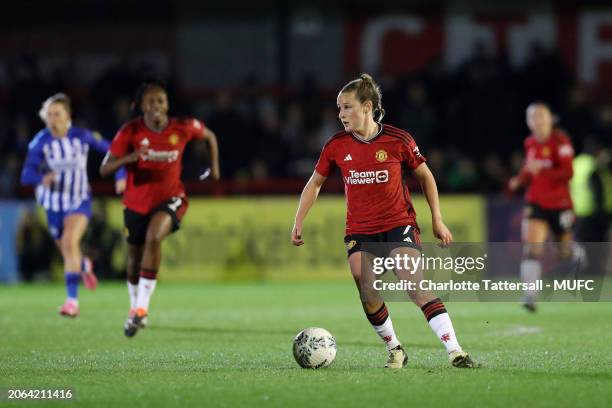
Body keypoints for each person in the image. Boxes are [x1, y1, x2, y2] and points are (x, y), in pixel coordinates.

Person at [291, 74, 474, 369]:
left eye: (347, 107)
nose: (340, 115)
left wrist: (437, 219)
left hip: (398, 224)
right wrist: (298, 220)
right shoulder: (336, 145)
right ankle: (396, 349)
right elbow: (314, 184)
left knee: (413, 284)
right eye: (339, 109)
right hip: (360, 230)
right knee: (366, 287)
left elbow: (425, 175)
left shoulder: (398, 139)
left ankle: (455, 351)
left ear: (367, 107)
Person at [99, 79, 220, 338]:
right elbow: (104, 168)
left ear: (167, 105)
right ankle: (134, 309)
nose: (156, 106)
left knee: (155, 237)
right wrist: (128, 159)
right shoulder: (130, 131)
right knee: (133, 259)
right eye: (150, 101)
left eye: (160, 101)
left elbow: (209, 135)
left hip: (171, 197)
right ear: (140, 106)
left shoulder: (182, 127)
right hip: (136, 202)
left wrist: (215, 169)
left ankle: (142, 309)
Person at [20, 93, 126, 317]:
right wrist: (41, 178)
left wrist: (121, 175)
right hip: (52, 204)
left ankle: (72, 302)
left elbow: (113, 149)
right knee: (69, 252)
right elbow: (26, 175)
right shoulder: (40, 142)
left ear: (67, 115)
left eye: (57, 114)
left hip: (79, 200)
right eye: (48, 115)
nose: (52, 119)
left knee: (69, 243)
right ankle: (85, 265)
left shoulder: (81, 136)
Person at [509, 102, 576, 312]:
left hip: (560, 204)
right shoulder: (530, 142)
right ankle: (530, 295)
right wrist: (519, 180)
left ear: (549, 119)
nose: (536, 120)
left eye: (540, 116)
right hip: (536, 202)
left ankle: (576, 251)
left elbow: (568, 173)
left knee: (564, 252)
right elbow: (531, 169)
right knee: (531, 249)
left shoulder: (560, 141)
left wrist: (542, 171)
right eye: (532, 117)